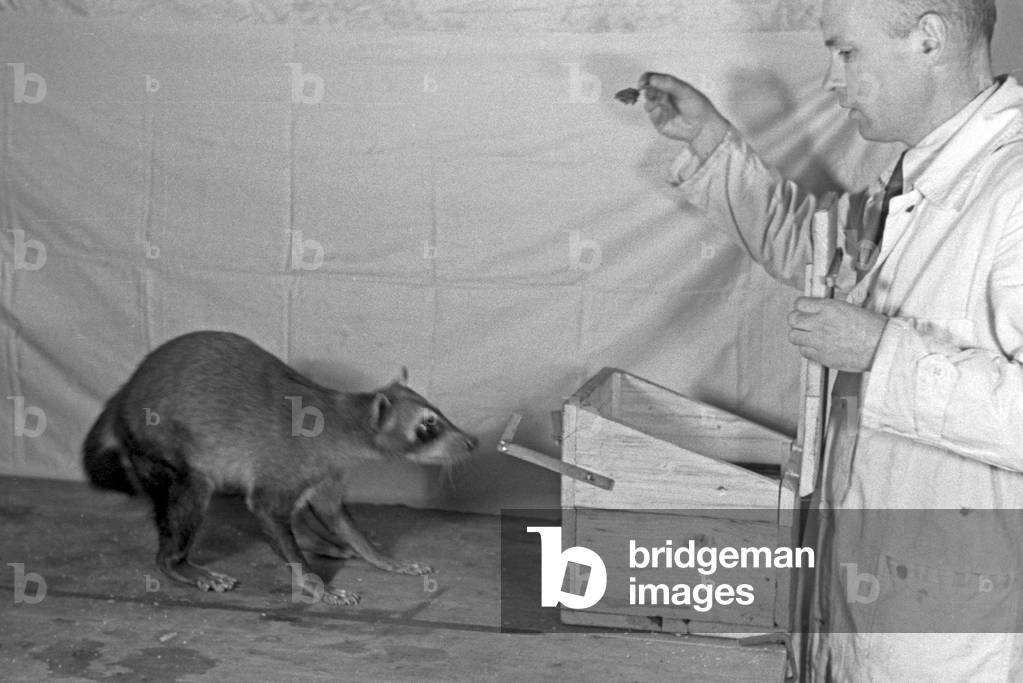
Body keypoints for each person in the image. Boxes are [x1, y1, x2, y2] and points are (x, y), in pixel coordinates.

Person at [637, 0, 1022, 680]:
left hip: (951, 625)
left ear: (927, 39)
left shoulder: (1013, 192)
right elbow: (813, 247)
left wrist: (881, 353)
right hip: (871, 588)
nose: (830, 82)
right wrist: (710, 142)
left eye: (845, 53)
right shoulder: (922, 174)